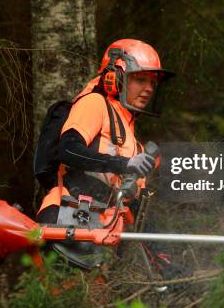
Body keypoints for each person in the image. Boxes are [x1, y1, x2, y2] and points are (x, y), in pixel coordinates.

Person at [36, 38, 177, 273]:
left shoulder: (130, 138)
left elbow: (137, 207)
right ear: (115, 77)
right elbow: (68, 149)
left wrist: (162, 257)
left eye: (152, 82)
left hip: (102, 234)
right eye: (140, 79)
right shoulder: (94, 104)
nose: (149, 88)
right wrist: (124, 164)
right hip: (68, 222)